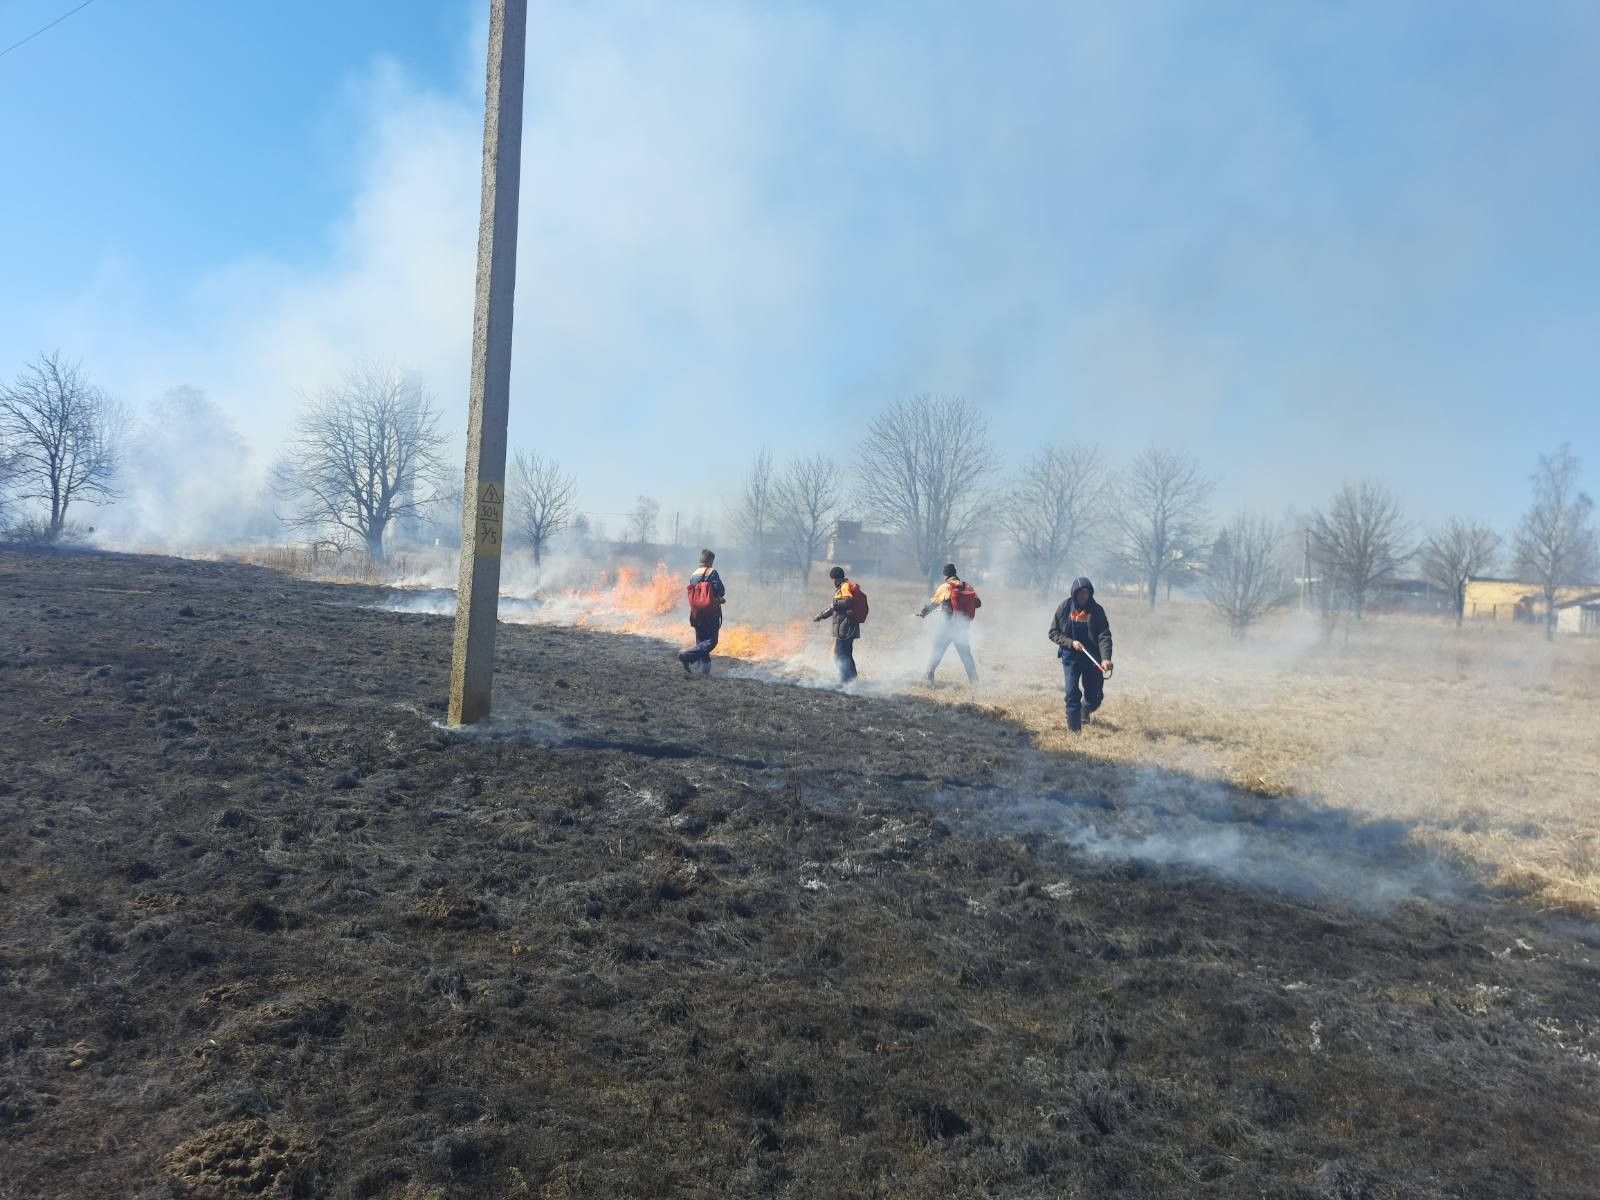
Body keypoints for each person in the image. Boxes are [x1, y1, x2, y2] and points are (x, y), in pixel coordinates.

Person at [1048, 575, 1114, 731]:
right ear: (1074, 593)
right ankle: (1074, 730)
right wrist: (1071, 643)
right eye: (1080, 593)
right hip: (1070, 657)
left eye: (1086, 592)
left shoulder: (1097, 611)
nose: (1083, 596)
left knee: (1094, 697)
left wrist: (1105, 658)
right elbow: (1053, 633)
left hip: (1092, 658)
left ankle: (1085, 709)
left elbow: (1104, 635)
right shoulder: (1064, 608)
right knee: (1071, 693)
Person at [917, 562, 980, 684]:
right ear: (955, 573)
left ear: (945, 574)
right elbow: (978, 603)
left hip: (946, 627)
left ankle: (928, 677)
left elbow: (934, 603)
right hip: (961, 628)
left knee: (937, 651)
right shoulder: (967, 586)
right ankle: (975, 681)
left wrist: (923, 612)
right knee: (966, 656)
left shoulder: (945, 587)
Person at [813, 565, 865, 683]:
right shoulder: (842, 587)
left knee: (839, 655)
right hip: (846, 626)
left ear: (836, 578)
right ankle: (851, 680)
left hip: (846, 627)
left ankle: (845, 681)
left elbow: (848, 601)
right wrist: (821, 616)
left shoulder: (845, 586)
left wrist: (835, 605)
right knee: (846, 654)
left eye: (833, 579)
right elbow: (834, 609)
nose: (833, 582)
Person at [678, 549, 726, 675]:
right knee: (711, 641)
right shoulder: (712, 572)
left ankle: (702, 671)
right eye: (712, 561)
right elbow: (720, 590)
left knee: (701, 643)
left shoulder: (693, 575)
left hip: (696, 614)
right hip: (710, 614)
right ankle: (687, 656)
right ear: (710, 560)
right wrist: (719, 598)